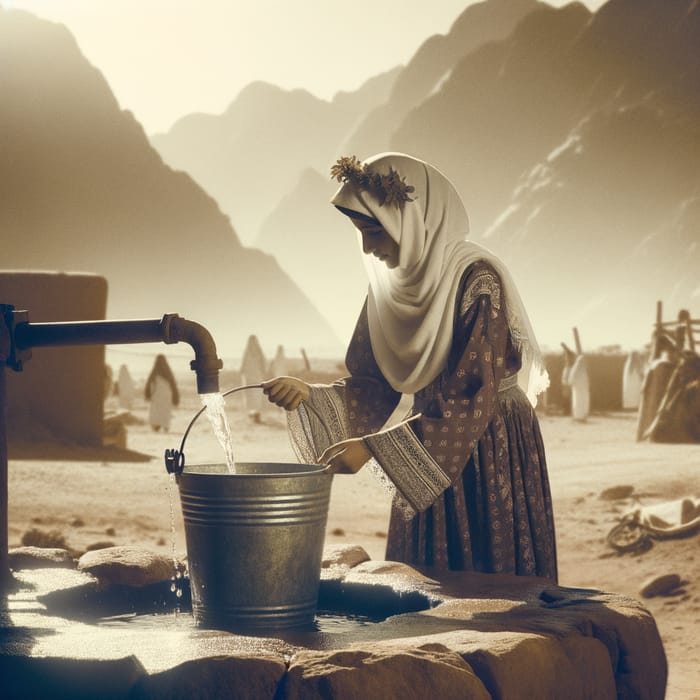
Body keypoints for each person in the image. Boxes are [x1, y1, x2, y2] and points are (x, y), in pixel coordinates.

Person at [262, 152, 557, 581]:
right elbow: (373, 381)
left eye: (375, 231)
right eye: (361, 233)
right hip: (430, 435)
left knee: (493, 582)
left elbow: (472, 394)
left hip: (489, 442)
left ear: (412, 221)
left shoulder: (477, 280)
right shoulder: (389, 289)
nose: (368, 248)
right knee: (426, 585)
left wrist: (374, 449)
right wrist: (309, 395)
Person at [144, 353, 180, 432]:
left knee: (156, 411)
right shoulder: (168, 373)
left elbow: (148, 384)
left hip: (157, 396)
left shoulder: (154, 372)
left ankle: (156, 426)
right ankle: (165, 426)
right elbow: (173, 386)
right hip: (166, 396)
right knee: (165, 411)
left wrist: (148, 395)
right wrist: (175, 398)